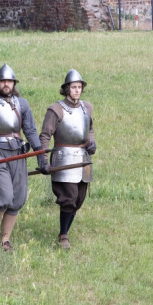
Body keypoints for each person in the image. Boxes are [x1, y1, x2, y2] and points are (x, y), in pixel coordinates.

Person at [0, 64, 45, 251]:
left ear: (14, 83)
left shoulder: (23, 104)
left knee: (17, 199)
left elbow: (30, 130)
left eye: (9, 81)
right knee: (3, 196)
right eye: (3, 81)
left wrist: (40, 155)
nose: (6, 84)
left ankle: (5, 239)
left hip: (18, 153)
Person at [38, 69, 95, 249]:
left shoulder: (87, 108)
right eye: (73, 87)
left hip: (83, 158)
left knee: (79, 199)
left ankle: (64, 233)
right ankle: (63, 236)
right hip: (63, 158)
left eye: (79, 87)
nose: (77, 90)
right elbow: (45, 136)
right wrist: (43, 160)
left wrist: (92, 142)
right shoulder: (55, 110)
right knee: (69, 197)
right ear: (66, 89)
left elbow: (90, 129)